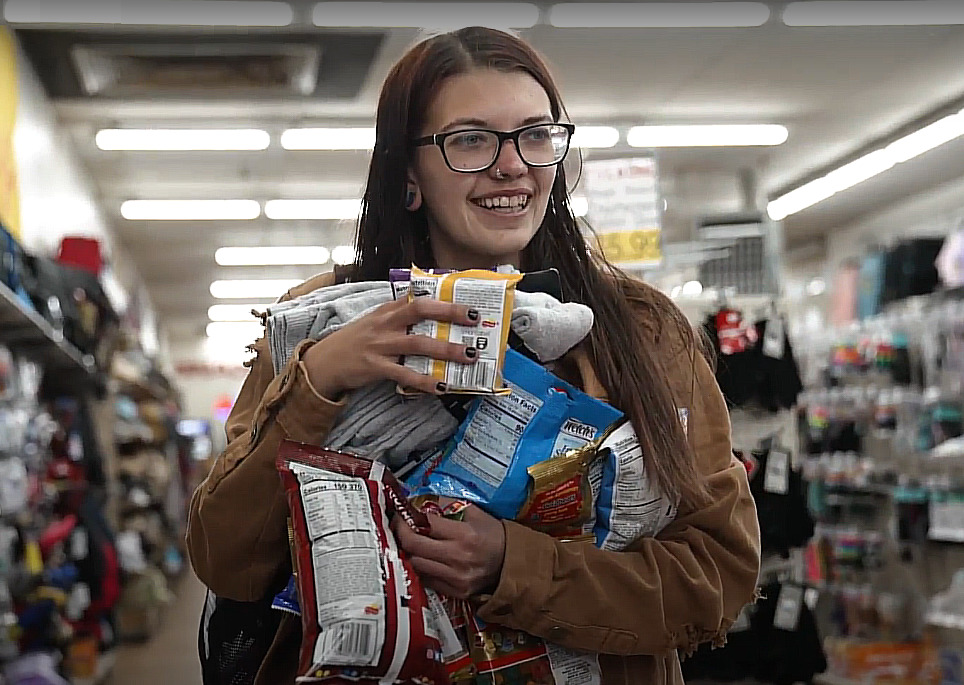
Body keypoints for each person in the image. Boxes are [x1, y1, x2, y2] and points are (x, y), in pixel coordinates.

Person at [187, 26, 761, 685]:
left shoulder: (640, 329)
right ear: (407, 175)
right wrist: (319, 379)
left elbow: (718, 572)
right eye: (470, 140)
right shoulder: (323, 320)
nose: (512, 163)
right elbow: (227, 558)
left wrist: (509, 565)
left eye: (534, 135)